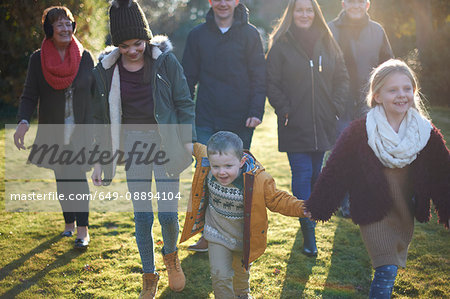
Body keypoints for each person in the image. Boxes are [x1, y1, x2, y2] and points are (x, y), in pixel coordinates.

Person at [305, 59, 450, 298]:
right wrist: (318, 205)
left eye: (407, 89)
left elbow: (443, 174)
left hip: (404, 211)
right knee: (386, 268)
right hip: (373, 210)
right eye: (393, 90)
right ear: (378, 96)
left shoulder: (425, 133)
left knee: (390, 268)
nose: (401, 95)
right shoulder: (360, 131)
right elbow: (336, 169)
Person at [90, 0, 196, 297]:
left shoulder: (165, 62)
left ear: (146, 38)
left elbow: (184, 102)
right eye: (125, 46)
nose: (133, 50)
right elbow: (99, 118)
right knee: (142, 217)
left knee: (166, 214)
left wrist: (187, 140)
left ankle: (171, 256)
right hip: (133, 146)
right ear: (116, 45)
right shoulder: (106, 70)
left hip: (165, 143)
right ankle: (149, 275)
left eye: (138, 43)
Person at [266, 0, 349, 257]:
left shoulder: (328, 41)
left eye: (309, 10)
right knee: (302, 173)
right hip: (295, 123)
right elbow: (271, 82)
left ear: (316, 13)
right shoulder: (281, 44)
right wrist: (284, 109)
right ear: (292, 13)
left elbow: (342, 77)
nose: (304, 14)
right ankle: (308, 232)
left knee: (316, 174)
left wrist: (335, 106)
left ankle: (307, 218)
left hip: (324, 122)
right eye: (299, 10)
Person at [179, 131, 307, 299]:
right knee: (220, 275)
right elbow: (194, 146)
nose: (221, 172)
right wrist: (174, 136)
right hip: (216, 234)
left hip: (243, 238)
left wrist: (304, 208)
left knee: (241, 274)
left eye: (228, 166)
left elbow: (278, 199)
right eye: (215, 166)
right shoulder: (206, 159)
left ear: (241, 162)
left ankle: (242, 295)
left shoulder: (258, 180)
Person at [182, 0, 266, 252]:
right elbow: (188, 78)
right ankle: (207, 236)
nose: (222, 3)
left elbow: (259, 75)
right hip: (206, 118)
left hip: (240, 119)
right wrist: (186, 117)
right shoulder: (197, 35)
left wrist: (256, 110)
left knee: (236, 178)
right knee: (207, 176)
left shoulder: (250, 34)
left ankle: (236, 236)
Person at [14, 6, 94, 249]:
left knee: (78, 177)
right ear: (49, 29)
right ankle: (68, 223)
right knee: (63, 178)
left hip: (81, 129)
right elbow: (29, 94)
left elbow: (96, 94)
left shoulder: (85, 57)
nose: (65, 28)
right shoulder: (38, 60)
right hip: (54, 129)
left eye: (68, 23)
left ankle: (83, 229)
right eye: (59, 24)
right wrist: (23, 121)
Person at [329, 0, 394, 217]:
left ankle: (363, 199)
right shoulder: (330, 29)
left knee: (368, 152)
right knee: (343, 152)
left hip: (369, 102)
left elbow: (388, 66)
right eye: (350, 1)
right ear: (343, 4)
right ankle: (344, 202)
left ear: (367, 4)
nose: (355, 5)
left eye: (360, 1)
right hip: (339, 102)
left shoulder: (377, 30)